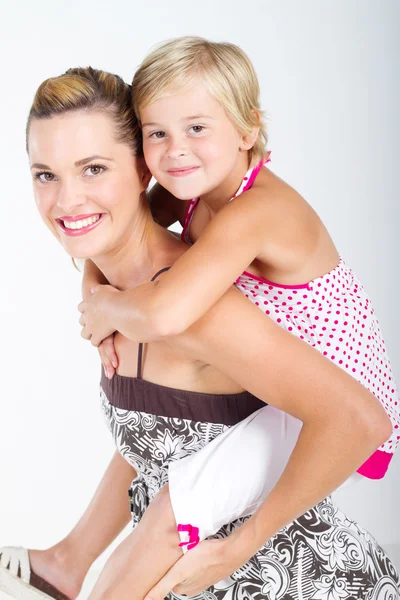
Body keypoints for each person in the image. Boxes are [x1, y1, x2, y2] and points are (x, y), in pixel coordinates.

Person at [0, 67, 398, 600]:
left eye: (93, 169)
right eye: (45, 174)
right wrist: (96, 290)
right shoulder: (138, 280)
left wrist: (244, 543)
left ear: (143, 171)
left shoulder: (188, 304)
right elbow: (168, 444)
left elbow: (358, 418)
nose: (67, 199)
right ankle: (69, 561)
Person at [78, 36, 400, 547]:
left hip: (333, 405)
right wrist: (97, 299)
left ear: (248, 127)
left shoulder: (258, 211)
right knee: (158, 402)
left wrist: (106, 309)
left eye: (197, 128)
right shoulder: (193, 185)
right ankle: (74, 558)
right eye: (156, 132)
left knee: (178, 487)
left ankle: (202, 555)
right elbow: (116, 240)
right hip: (271, 374)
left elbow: (162, 314)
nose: (175, 149)